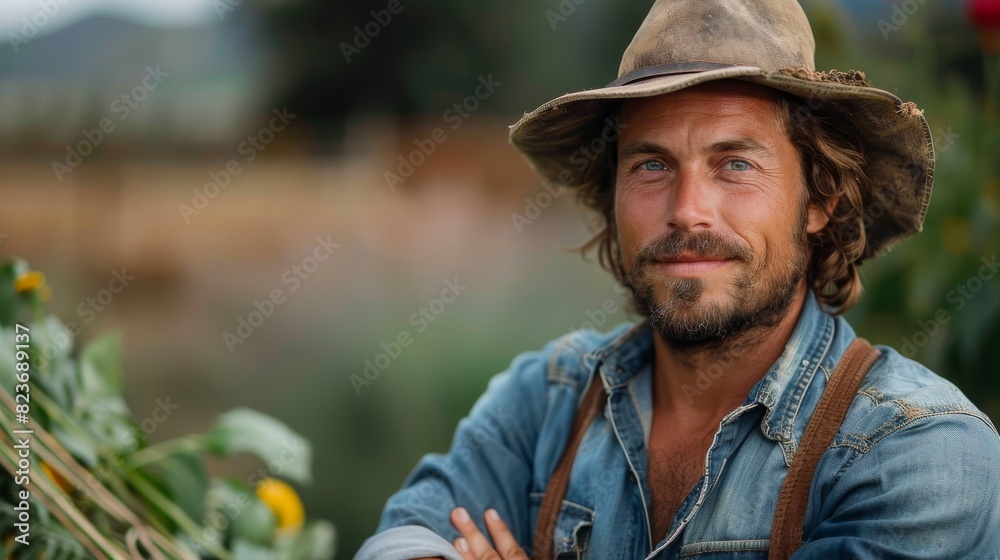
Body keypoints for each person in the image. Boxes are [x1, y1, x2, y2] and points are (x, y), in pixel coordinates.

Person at [356, 0, 1000, 558]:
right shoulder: (546, 399)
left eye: (736, 163)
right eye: (651, 165)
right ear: (612, 194)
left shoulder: (921, 454)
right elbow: (403, 535)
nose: (687, 209)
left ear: (819, 198)